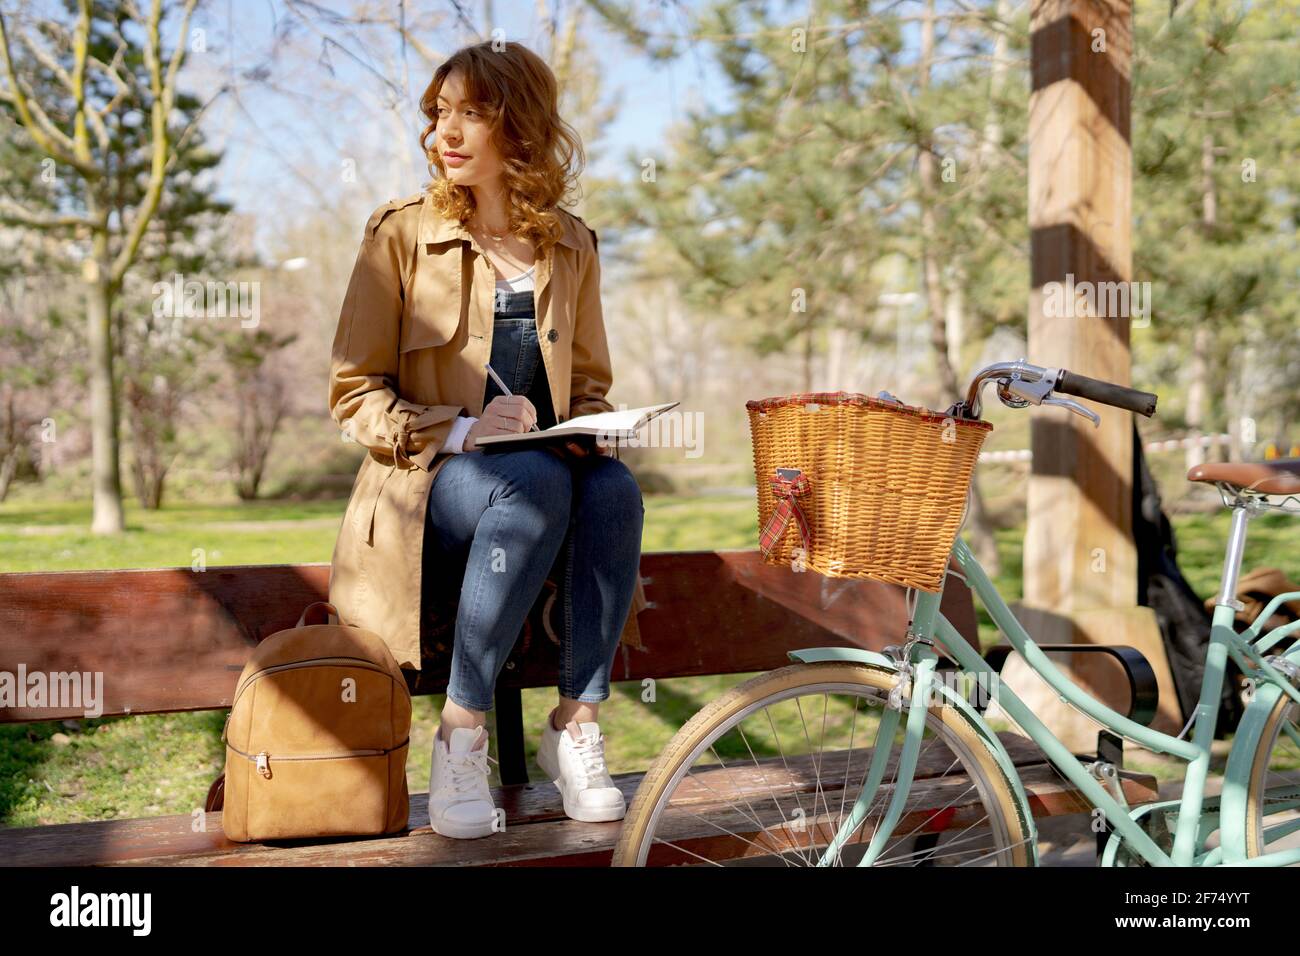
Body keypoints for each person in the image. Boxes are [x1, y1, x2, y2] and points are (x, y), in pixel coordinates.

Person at [327, 41, 644, 839]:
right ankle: (461, 734)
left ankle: (575, 724)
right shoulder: (399, 236)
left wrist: (593, 426)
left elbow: (591, 381)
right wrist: (464, 429)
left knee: (612, 489)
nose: (446, 133)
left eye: (472, 113)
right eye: (439, 114)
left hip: (542, 479)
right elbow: (353, 394)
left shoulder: (571, 244)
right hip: (432, 484)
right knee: (530, 483)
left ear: (521, 125)